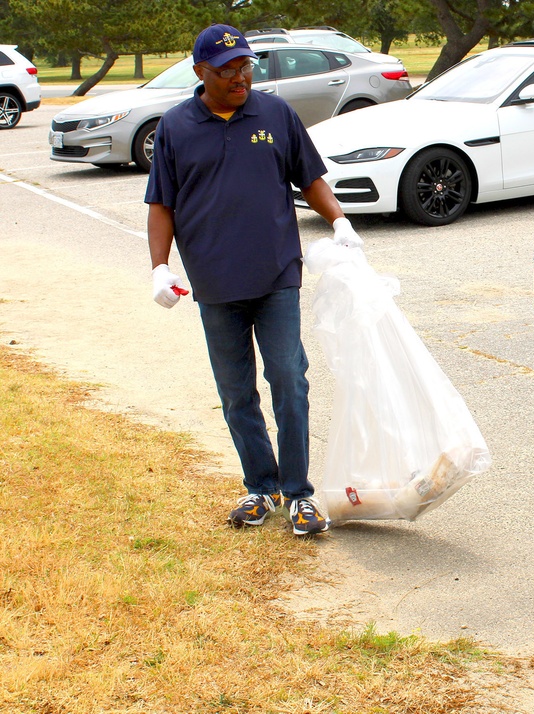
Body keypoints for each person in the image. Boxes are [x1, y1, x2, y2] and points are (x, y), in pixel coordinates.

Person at [145, 24, 363, 537]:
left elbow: (309, 178)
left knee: (289, 379)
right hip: (215, 282)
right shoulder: (176, 127)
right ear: (201, 72)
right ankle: (260, 487)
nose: (241, 78)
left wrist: (340, 221)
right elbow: (162, 204)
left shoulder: (274, 113)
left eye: (246, 67)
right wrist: (159, 266)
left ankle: (299, 494)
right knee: (236, 391)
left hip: (276, 274)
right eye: (228, 71)